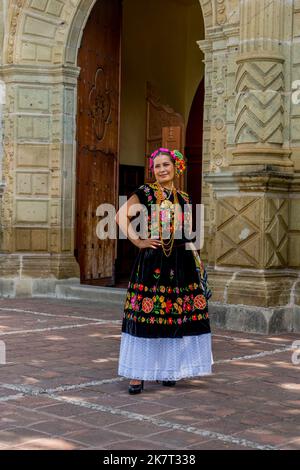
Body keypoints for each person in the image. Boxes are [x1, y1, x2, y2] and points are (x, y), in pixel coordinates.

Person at [115, 148, 212, 394]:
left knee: (175, 315)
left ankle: (169, 370)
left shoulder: (185, 198)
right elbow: (119, 217)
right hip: (153, 262)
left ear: (175, 167)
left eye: (166, 164)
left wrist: (197, 263)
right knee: (145, 316)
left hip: (181, 263)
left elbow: (188, 234)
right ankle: (136, 375)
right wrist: (138, 241)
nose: (161, 170)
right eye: (157, 166)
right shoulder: (145, 193)